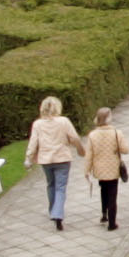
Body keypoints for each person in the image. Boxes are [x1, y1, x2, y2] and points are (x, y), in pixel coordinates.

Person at [24, 96, 83, 232]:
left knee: (51, 184)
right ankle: (57, 214)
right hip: (62, 158)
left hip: (46, 160)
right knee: (60, 187)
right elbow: (74, 137)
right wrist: (80, 149)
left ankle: (53, 211)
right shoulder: (64, 121)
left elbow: (33, 142)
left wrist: (29, 158)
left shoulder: (38, 124)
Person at [83, 109, 129, 232]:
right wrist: (116, 149)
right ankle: (112, 223)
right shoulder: (117, 133)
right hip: (113, 167)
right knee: (112, 195)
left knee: (103, 190)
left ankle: (104, 213)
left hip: (99, 168)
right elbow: (126, 149)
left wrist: (86, 170)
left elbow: (89, 155)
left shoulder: (92, 135)